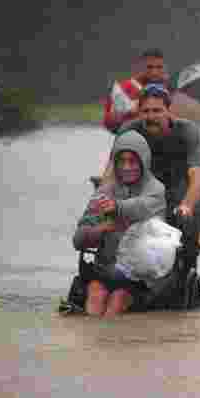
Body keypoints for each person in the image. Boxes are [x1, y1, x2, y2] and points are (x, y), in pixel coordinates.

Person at [103, 85, 200, 262]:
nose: (151, 117)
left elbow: (197, 179)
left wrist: (187, 205)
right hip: (141, 192)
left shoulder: (188, 131)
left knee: (187, 221)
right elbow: (110, 173)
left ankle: (186, 266)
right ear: (139, 112)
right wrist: (103, 201)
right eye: (146, 111)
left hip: (177, 191)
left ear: (169, 111)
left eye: (157, 111)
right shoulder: (129, 131)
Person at [73, 130, 167, 317]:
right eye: (121, 161)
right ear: (114, 164)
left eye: (132, 161)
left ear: (143, 162)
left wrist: (117, 208)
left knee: (117, 299)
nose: (126, 167)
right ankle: (93, 344)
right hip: (106, 270)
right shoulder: (103, 192)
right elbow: (78, 240)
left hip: (142, 276)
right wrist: (99, 230)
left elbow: (141, 207)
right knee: (96, 296)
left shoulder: (155, 190)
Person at [103, 49, 169, 134]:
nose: (154, 72)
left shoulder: (169, 89)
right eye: (149, 67)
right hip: (132, 142)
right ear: (140, 66)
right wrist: (129, 114)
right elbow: (109, 123)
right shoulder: (122, 90)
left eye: (159, 67)